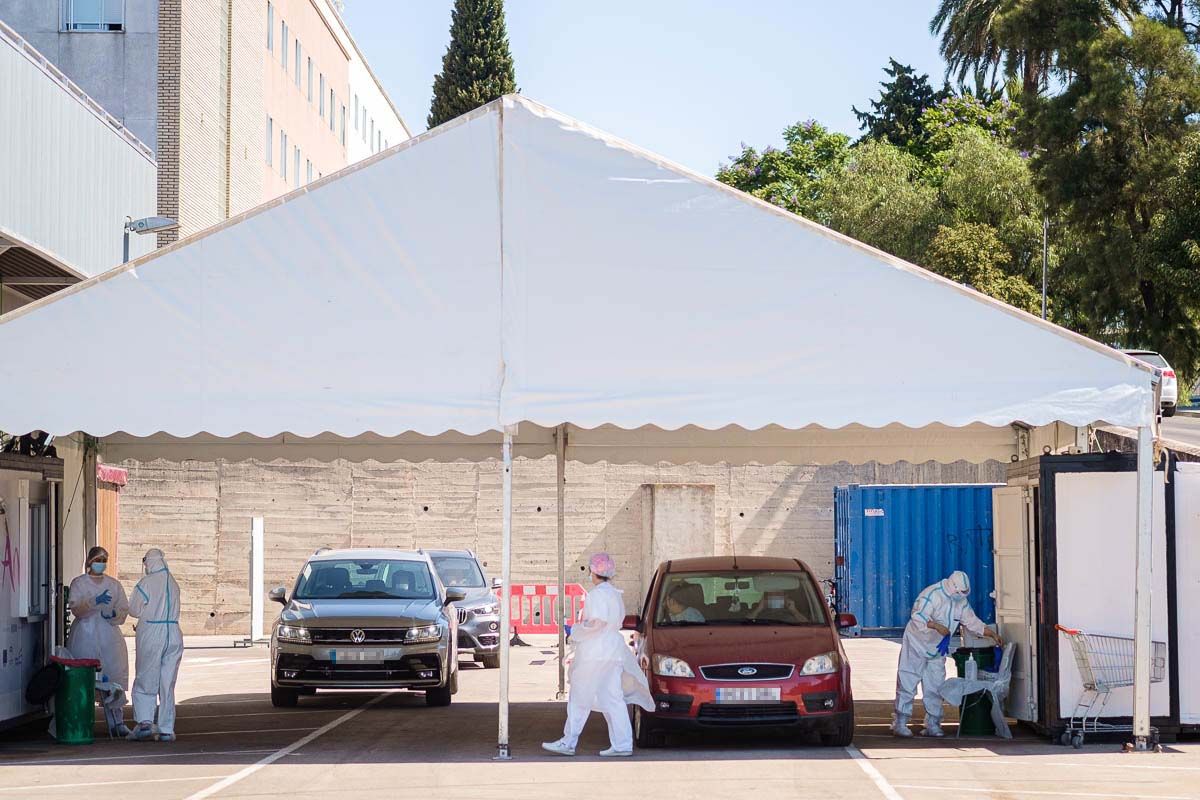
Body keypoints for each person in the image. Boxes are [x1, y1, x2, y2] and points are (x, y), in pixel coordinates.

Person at [543, 553, 653, 757]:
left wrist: (576, 630)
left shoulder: (596, 595)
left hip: (595, 652)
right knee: (612, 697)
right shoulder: (615, 594)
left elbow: (597, 623)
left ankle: (568, 742)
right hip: (614, 651)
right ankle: (622, 744)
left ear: (594, 571)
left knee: (579, 695)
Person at [892, 570, 1002, 738]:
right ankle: (900, 721)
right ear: (953, 587)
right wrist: (935, 626)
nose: (962, 596)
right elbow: (917, 615)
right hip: (916, 642)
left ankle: (933, 723)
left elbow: (971, 621)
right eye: (960, 593)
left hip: (937, 648)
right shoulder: (932, 594)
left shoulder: (961, 601)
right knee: (908, 679)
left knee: (935, 685)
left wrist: (990, 633)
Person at [66, 546, 131, 737]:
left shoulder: (114, 585)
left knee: (113, 677)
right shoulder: (79, 583)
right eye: (98, 559)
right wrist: (94, 601)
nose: (101, 564)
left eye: (104, 560)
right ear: (89, 561)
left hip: (109, 637)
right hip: (84, 636)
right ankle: (81, 722)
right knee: (84, 679)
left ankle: (117, 722)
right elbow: (76, 607)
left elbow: (123, 609)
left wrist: (114, 614)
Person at [127, 548, 183, 742]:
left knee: (146, 676)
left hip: (152, 632)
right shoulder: (174, 583)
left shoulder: (146, 583)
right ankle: (167, 728)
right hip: (174, 633)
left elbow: (133, 609)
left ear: (149, 562)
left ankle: (144, 722)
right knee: (167, 683)